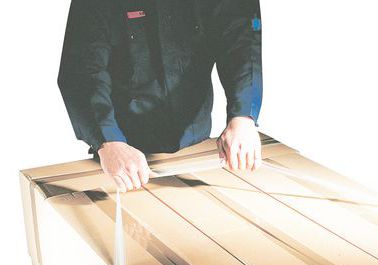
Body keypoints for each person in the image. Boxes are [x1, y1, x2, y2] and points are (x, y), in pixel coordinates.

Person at [58, 0, 263, 191]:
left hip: (195, 142)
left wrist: (243, 116)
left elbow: (241, 42)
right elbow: (82, 70)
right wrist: (108, 140)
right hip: (123, 149)